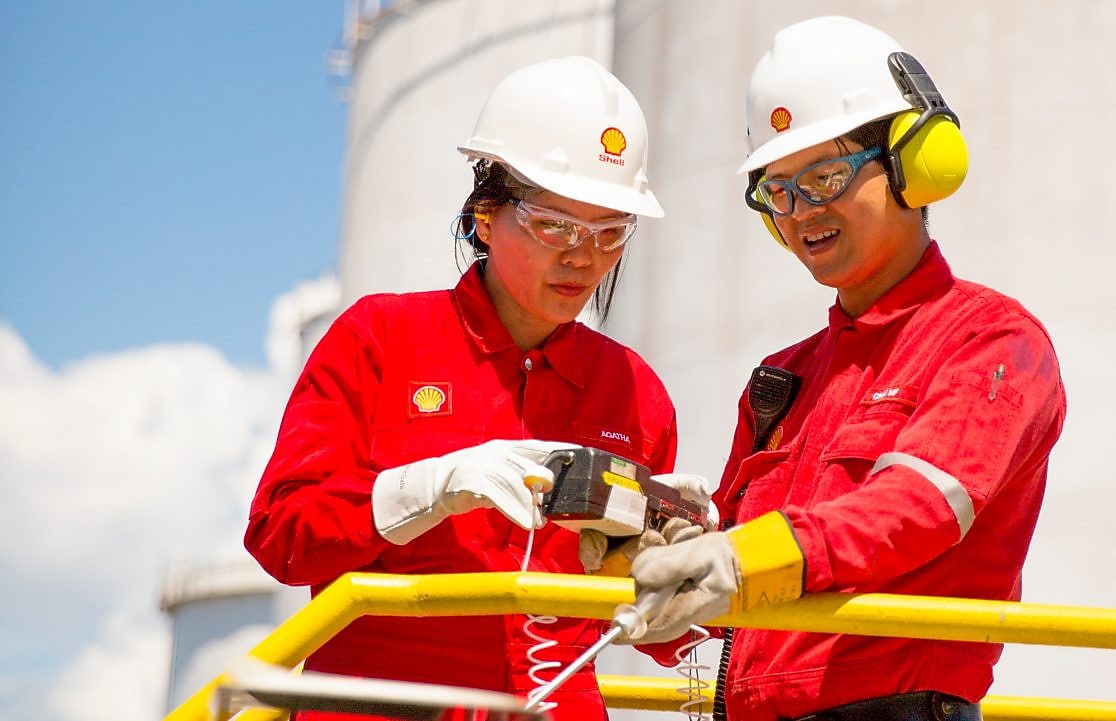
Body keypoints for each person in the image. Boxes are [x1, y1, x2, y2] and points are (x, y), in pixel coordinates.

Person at [624, 16, 1068, 721]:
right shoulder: (784, 378)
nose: (803, 211)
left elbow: (916, 509)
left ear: (912, 163)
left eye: (826, 175)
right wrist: (650, 556)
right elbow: (723, 609)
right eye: (778, 190)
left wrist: (738, 556)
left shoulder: (992, 341)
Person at [244, 56, 694, 721]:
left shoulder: (635, 392)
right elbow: (282, 533)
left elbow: (664, 633)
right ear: (486, 216)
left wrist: (682, 574)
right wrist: (425, 490)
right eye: (555, 225)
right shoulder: (381, 338)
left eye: (609, 233)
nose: (582, 256)